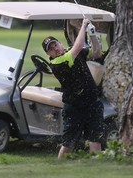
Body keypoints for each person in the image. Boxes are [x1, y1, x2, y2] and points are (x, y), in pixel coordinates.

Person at [42, 18, 104, 159]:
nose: (55, 49)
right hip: (74, 107)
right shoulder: (58, 62)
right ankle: (59, 169)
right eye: (51, 49)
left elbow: (96, 53)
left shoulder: (69, 53)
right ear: (49, 55)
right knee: (69, 144)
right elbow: (77, 47)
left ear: (60, 43)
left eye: (55, 44)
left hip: (92, 103)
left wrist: (93, 35)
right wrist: (84, 25)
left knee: (95, 140)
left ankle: (98, 170)